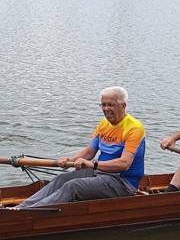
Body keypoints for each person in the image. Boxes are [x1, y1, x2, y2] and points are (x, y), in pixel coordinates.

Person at [16, 86, 145, 208]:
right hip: (99, 173)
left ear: (123, 106)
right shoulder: (104, 124)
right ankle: (21, 208)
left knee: (73, 187)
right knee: (61, 179)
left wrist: (92, 165)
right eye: (103, 105)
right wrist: (69, 161)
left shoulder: (134, 128)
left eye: (110, 104)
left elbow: (124, 164)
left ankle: (28, 213)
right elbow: (89, 152)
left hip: (122, 182)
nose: (106, 109)